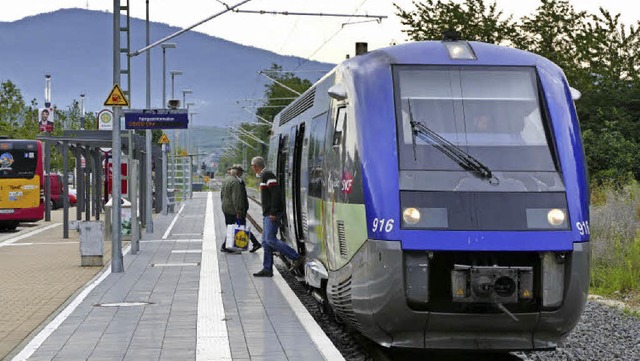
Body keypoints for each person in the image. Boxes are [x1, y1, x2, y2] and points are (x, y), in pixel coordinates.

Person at [250, 156, 304, 277]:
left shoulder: (267, 175)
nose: (252, 169)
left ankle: (296, 257)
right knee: (265, 242)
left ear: (256, 166)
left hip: (271, 214)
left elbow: (276, 194)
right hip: (267, 214)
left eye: (252, 166)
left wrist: (273, 212)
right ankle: (267, 269)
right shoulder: (265, 176)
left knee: (270, 239)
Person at [232, 164, 262, 253]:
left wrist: (239, 210)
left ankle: (253, 243)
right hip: (242, 208)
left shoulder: (238, 182)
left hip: (241, 209)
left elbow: (239, 197)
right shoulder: (239, 181)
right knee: (241, 226)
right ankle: (255, 243)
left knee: (241, 227)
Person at [220, 166, 242, 254]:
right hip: (231, 208)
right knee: (231, 227)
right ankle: (226, 247)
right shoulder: (235, 182)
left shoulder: (226, 180)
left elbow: (221, 194)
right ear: (237, 173)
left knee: (229, 226)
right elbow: (235, 198)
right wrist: (238, 211)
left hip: (225, 206)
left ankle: (226, 245)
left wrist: (223, 203)